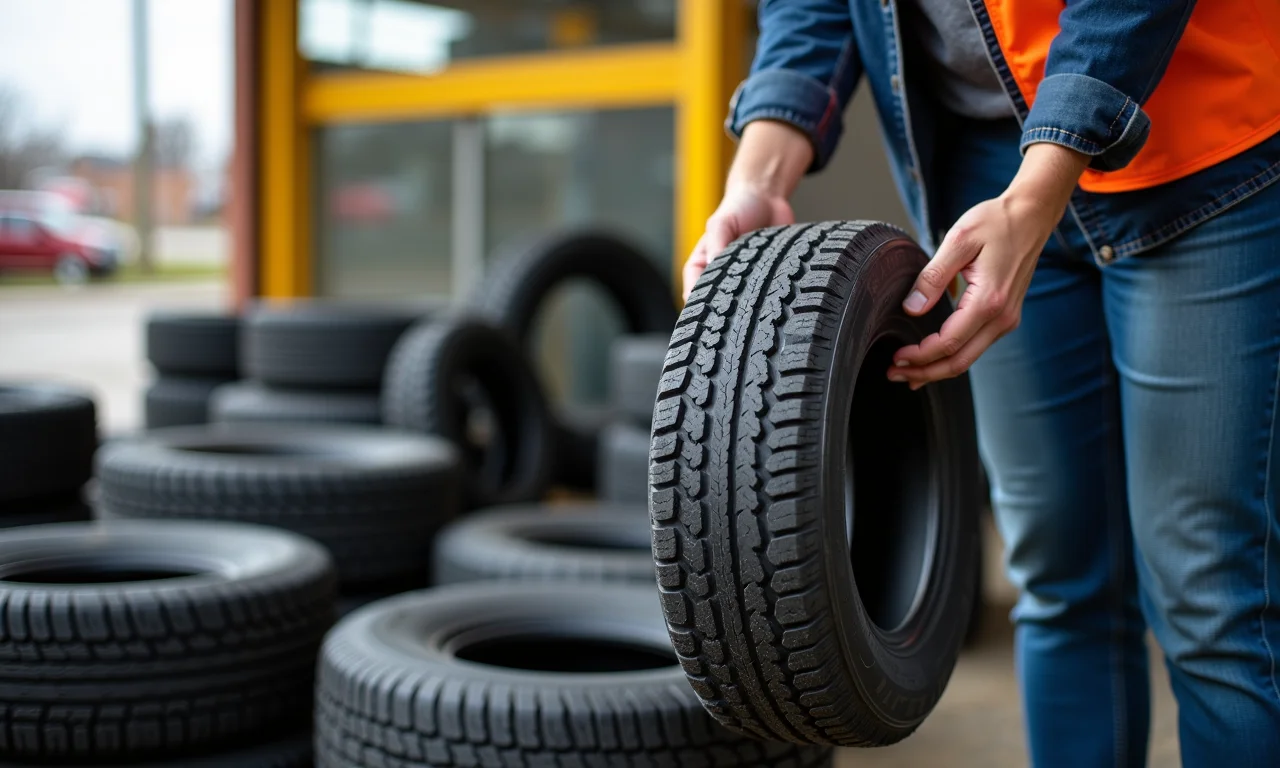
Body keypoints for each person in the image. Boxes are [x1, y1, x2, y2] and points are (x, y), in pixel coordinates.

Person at [682, 2, 1280, 766]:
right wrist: (757, 177)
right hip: (979, 165)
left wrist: (1046, 175)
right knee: (1059, 574)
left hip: (1198, 137)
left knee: (1210, 591)